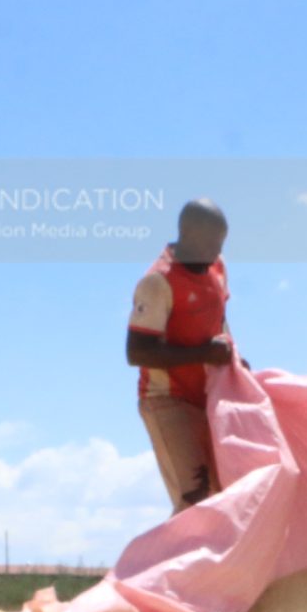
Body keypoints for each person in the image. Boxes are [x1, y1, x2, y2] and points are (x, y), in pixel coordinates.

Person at [126, 199, 241, 512]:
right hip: (166, 399)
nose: (217, 251)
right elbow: (137, 352)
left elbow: (219, 319)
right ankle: (160, 562)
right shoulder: (158, 281)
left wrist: (234, 358)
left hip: (208, 395)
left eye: (221, 243)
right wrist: (204, 353)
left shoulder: (217, 267)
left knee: (227, 494)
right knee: (195, 499)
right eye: (210, 242)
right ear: (187, 234)